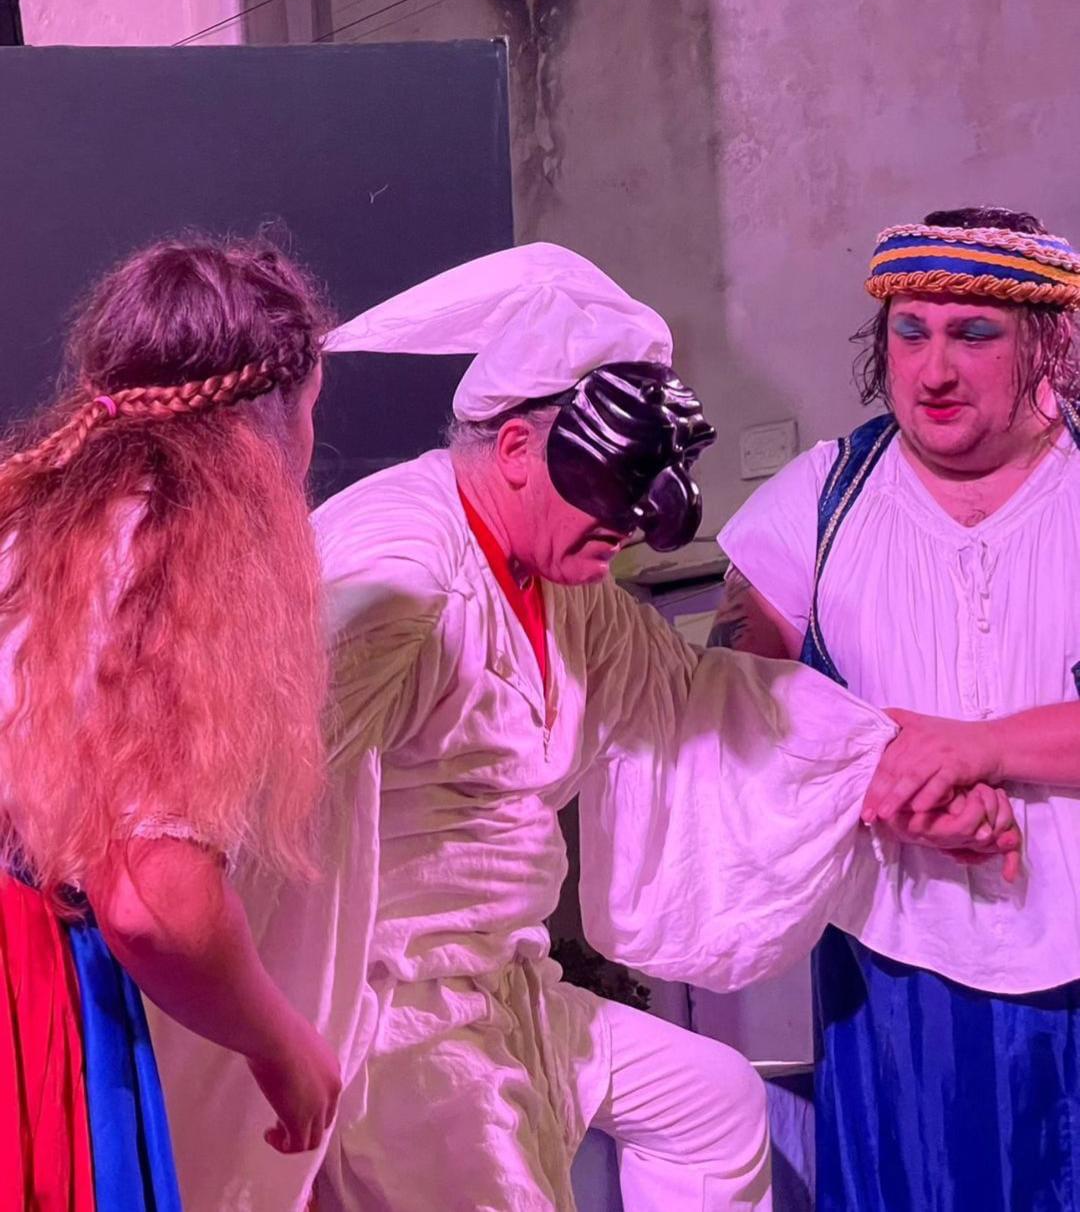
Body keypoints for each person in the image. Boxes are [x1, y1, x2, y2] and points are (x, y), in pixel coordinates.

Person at [155, 241, 1015, 1212]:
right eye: (611, 481)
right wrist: (266, 1033)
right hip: (388, 1015)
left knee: (713, 1104)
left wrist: (889, 766)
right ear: (517, 449)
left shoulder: (571, 588)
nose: (633, 526)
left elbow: (694, 702)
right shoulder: (402, 564)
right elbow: (257, 764)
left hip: (504, 982)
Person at [714, 206, 1080, 1210]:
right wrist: (877, 778)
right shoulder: (820, 500)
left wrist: (973, 748)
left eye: (974, 333)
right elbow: (731, 707)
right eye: (910, 332)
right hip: (895, 965)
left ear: (1050, 339)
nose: (934, 370)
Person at [0, 236, 341, 1207]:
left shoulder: (32, 517)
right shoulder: (177, 549)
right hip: (19, 986)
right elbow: (155, 900)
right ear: (270, 414)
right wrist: (282, 1041)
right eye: (310, 410)